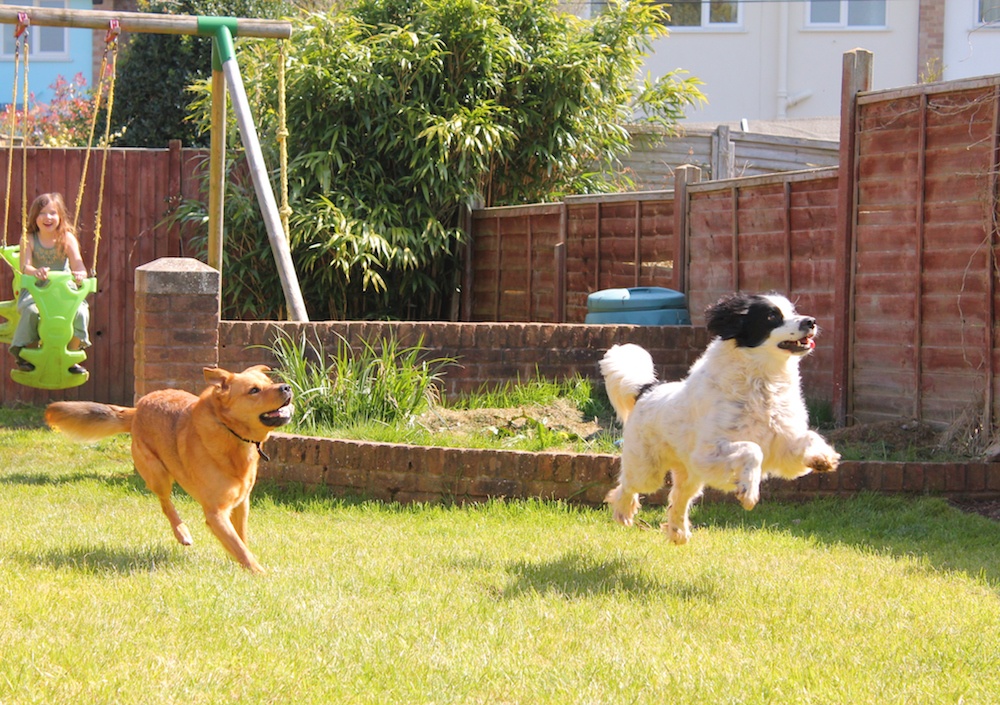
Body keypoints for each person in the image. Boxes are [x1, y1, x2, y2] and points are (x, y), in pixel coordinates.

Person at [9, 192, 91, 374]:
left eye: (53, 213)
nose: (48, 218)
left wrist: (80, 274)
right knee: (31, 312)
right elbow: (25, 267)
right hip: (36, 289)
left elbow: (78, 264)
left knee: (80, 312)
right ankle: (23, 354)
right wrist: (36, 272)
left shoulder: (67, 238)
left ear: (60, 216)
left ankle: (72, 353)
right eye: (42, 213)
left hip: (62, 291)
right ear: (35, 217)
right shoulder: (29, 239)